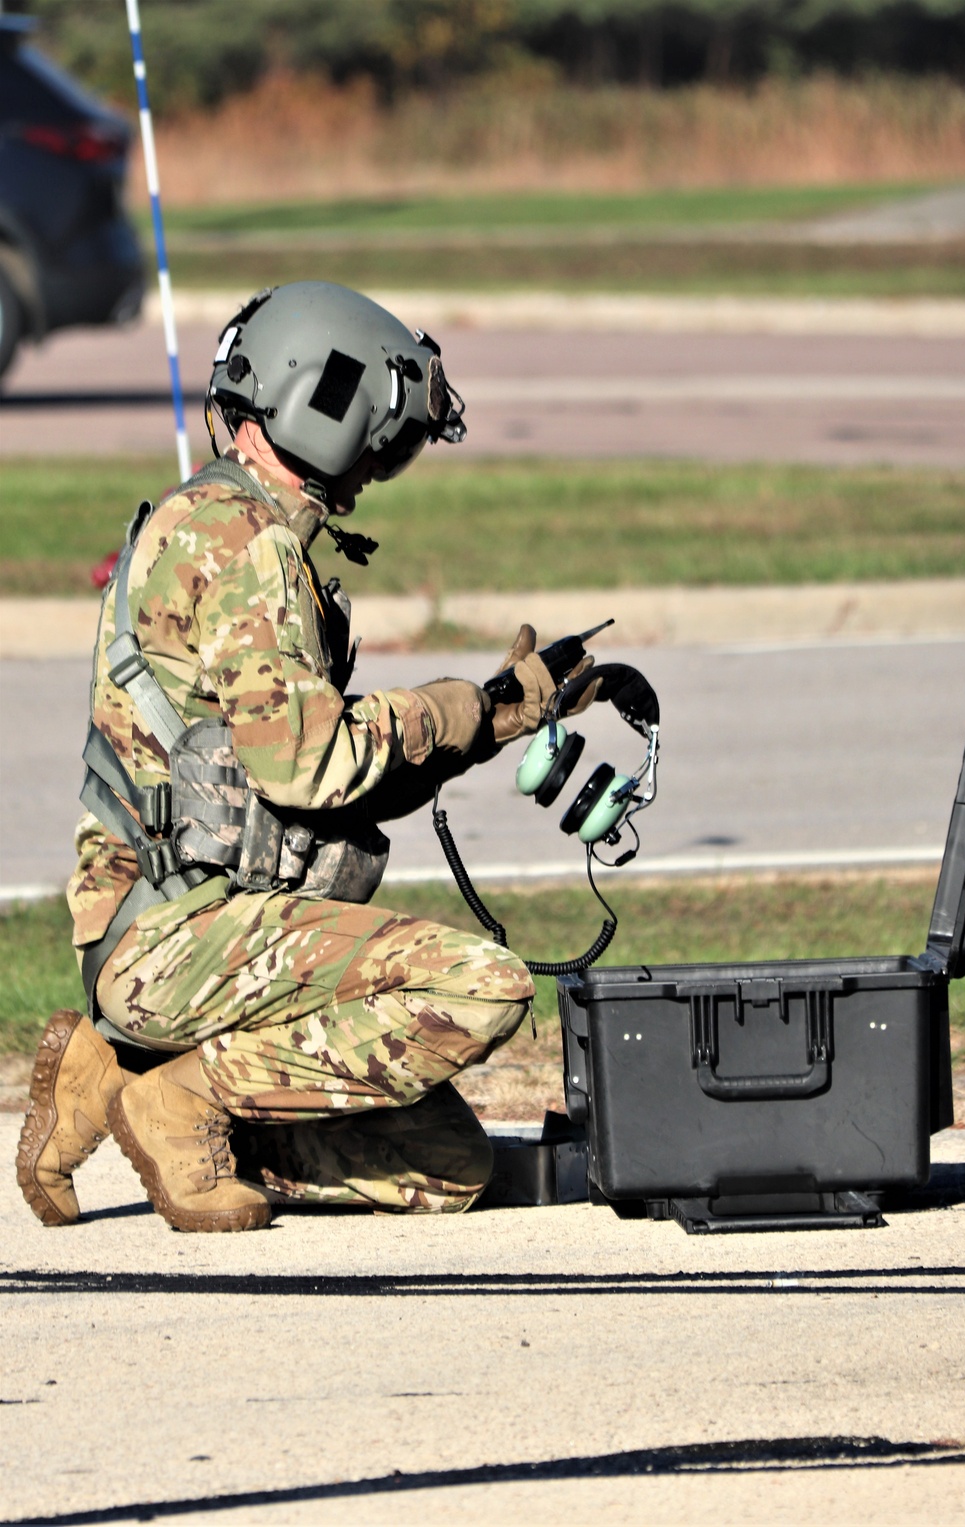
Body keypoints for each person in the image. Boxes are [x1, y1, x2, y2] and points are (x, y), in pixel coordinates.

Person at [16, 282, 596, 1232]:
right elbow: (310, 767)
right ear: (322, 408)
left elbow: (302, 780)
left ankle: (114, 1069)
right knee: (480, 985)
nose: (374, 467)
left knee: (449, 1167)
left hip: (169, 936)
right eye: (377, 437)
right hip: (181, 938)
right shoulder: (251, 552)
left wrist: (493, 717)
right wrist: (450, 708)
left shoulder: (205, 520)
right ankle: (183, 1099)